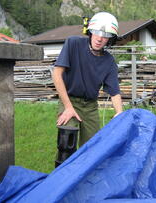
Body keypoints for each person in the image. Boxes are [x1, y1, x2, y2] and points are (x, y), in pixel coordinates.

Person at [52, 12, 123, 147]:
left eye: (105, 35)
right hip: (69, 99)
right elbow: (56, 74)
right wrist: (68, 107)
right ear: (90, 31)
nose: (99, 39)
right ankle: (64, 168)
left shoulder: (109, 61)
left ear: (111, 39)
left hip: (90, 107)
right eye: (96, 32)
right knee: (67, 141)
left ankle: (86, 169)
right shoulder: (73, 43)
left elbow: (114, 92)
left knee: (92, 148)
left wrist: (119, 112)